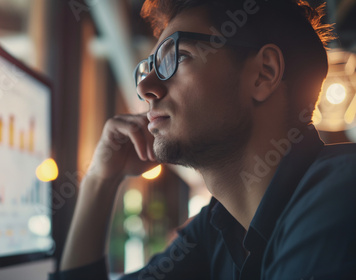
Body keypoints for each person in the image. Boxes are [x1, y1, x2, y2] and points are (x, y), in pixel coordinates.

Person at [50, 0, 356, 279]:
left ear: (264, 73)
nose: (145, 88)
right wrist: (100, 179)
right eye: (149, 68)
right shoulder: (220, 226)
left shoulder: (340, 198)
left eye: (178, 57)